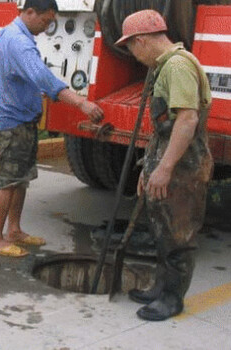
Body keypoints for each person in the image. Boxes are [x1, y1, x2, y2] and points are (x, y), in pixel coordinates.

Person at [115, 9, 213, 321]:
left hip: (184, 165)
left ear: (140, 41)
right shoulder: (165, 66)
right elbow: (163, 127)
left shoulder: (178, 67)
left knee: (178, 235)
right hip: (170, 156)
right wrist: (150, 166)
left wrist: (166, 167)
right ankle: (161, 287)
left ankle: (172, 299)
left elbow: (187, 120)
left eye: (130, 47)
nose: (133, 54)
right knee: (162, 230)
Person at [0, 0, 104, 258]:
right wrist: (81, 103)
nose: (48, 26)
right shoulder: (19, 42)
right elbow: (43, 78)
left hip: (23, 121)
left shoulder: (17, 35)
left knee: (21, 179)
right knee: (7, 182)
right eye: (46, 21)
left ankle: (14, 231)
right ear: (29, 12)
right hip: (12, 123)